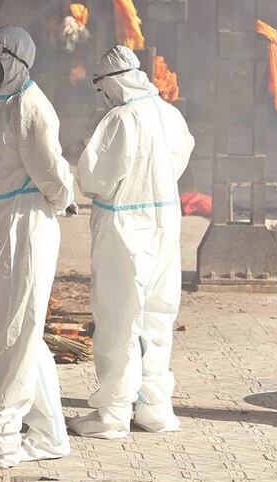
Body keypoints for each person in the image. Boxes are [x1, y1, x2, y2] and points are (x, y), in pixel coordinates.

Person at [0, 26, 75, 469]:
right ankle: (49, 434)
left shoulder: (31, 106)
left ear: (19, 59)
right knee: (22, 334)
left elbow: (54, 175)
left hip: (22, 226)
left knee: (11, 334)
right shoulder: (0, 103)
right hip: (0, 228)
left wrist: (62, 201)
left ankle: (1, 440)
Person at [70, 45, 194, 439]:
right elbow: (180, 159)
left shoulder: (120, 120)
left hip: (124, 230)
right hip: (165, 224)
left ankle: (113, 413)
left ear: (111, 83)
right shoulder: (170, 114)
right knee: (157, 318)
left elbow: (93, 180)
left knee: (118, 319)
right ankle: (154, 408)